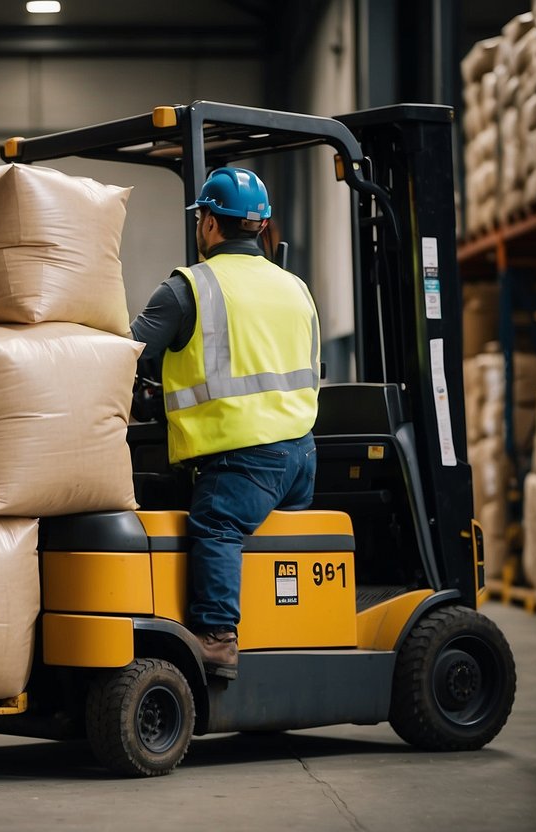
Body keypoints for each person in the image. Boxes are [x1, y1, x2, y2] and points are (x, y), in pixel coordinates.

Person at [130, 167, 319, 680]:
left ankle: (216, 637)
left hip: (242, 459)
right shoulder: (295, 288)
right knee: (259, 538)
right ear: (259, 227)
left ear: (210, 224)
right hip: (301, 456)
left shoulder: (187, 288)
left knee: (215, 525)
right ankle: (281, 630)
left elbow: (124, 357)